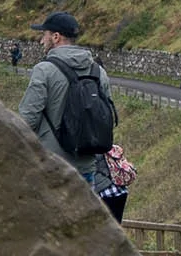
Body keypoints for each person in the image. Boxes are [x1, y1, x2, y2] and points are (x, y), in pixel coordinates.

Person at [17, 12, 119, 194]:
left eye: (44, 35)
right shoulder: (98, 71)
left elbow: (27, 120)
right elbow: (105, 117)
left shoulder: (44, 70)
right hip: (86, 169)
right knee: (82, 221)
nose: (42, 41)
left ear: (56, 37)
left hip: (50, 167)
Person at [101, 143, 135, 223]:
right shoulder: (108, 146)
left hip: (106, 193)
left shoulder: (92, 151)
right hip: (121, 190)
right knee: (116, 225)